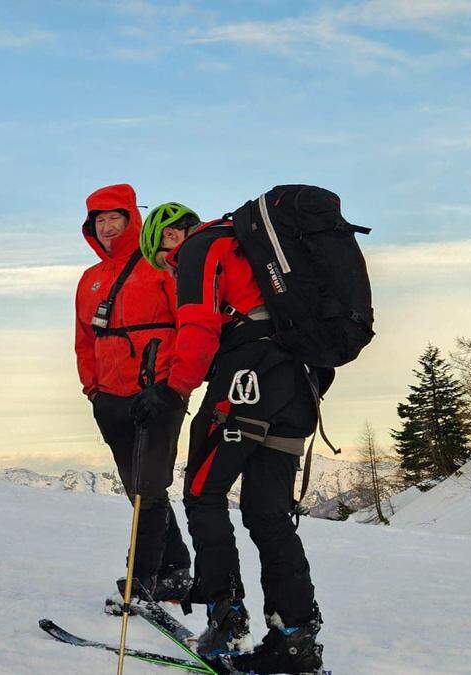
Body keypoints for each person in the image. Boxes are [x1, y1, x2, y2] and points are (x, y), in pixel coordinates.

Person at [133, 202, 325, 674]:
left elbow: (197, 325)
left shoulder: (199, 249)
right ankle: (295, 638)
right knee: (267, 513)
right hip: (297, 382)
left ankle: (226, 618)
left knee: (202, 493)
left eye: (162, 258)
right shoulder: (244, 247)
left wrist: (172, 388)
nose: (167, 268)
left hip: (248, 375)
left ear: (170, 238)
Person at [74, 184, 192, 602]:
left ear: (131, 219)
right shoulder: (90, 279)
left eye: (113, 218)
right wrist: (93, 389)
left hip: (157, 391)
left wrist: (171, 384)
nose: (106, 228)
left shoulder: (159, 265)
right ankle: (175, 568)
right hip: (109, 397)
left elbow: (186, 324)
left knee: (149, 486)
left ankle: (140, 582)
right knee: (136, 486)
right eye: (99, 221)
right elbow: (84, 339)